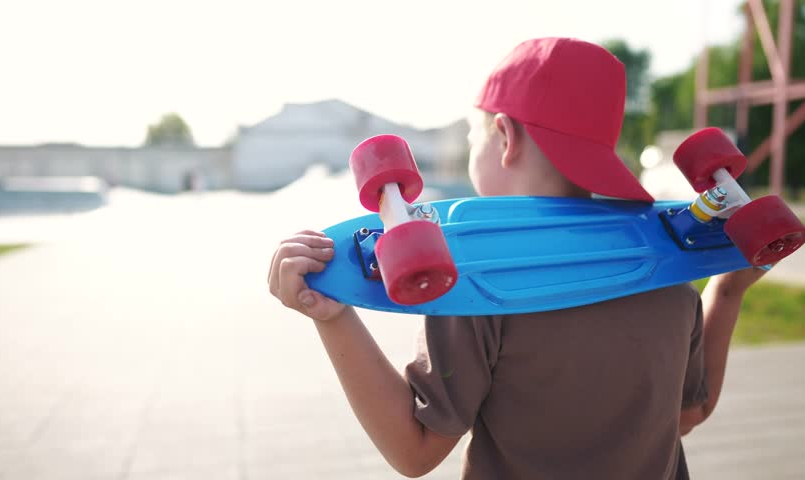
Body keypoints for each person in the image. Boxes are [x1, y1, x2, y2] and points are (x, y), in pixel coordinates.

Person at [267, 37, 767, 479]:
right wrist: (728, 289)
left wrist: (333, 318)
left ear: (503, 138)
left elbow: (413, 451)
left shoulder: (481, 284)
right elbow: (688, 413)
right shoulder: (665, 274)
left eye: (472, 137)